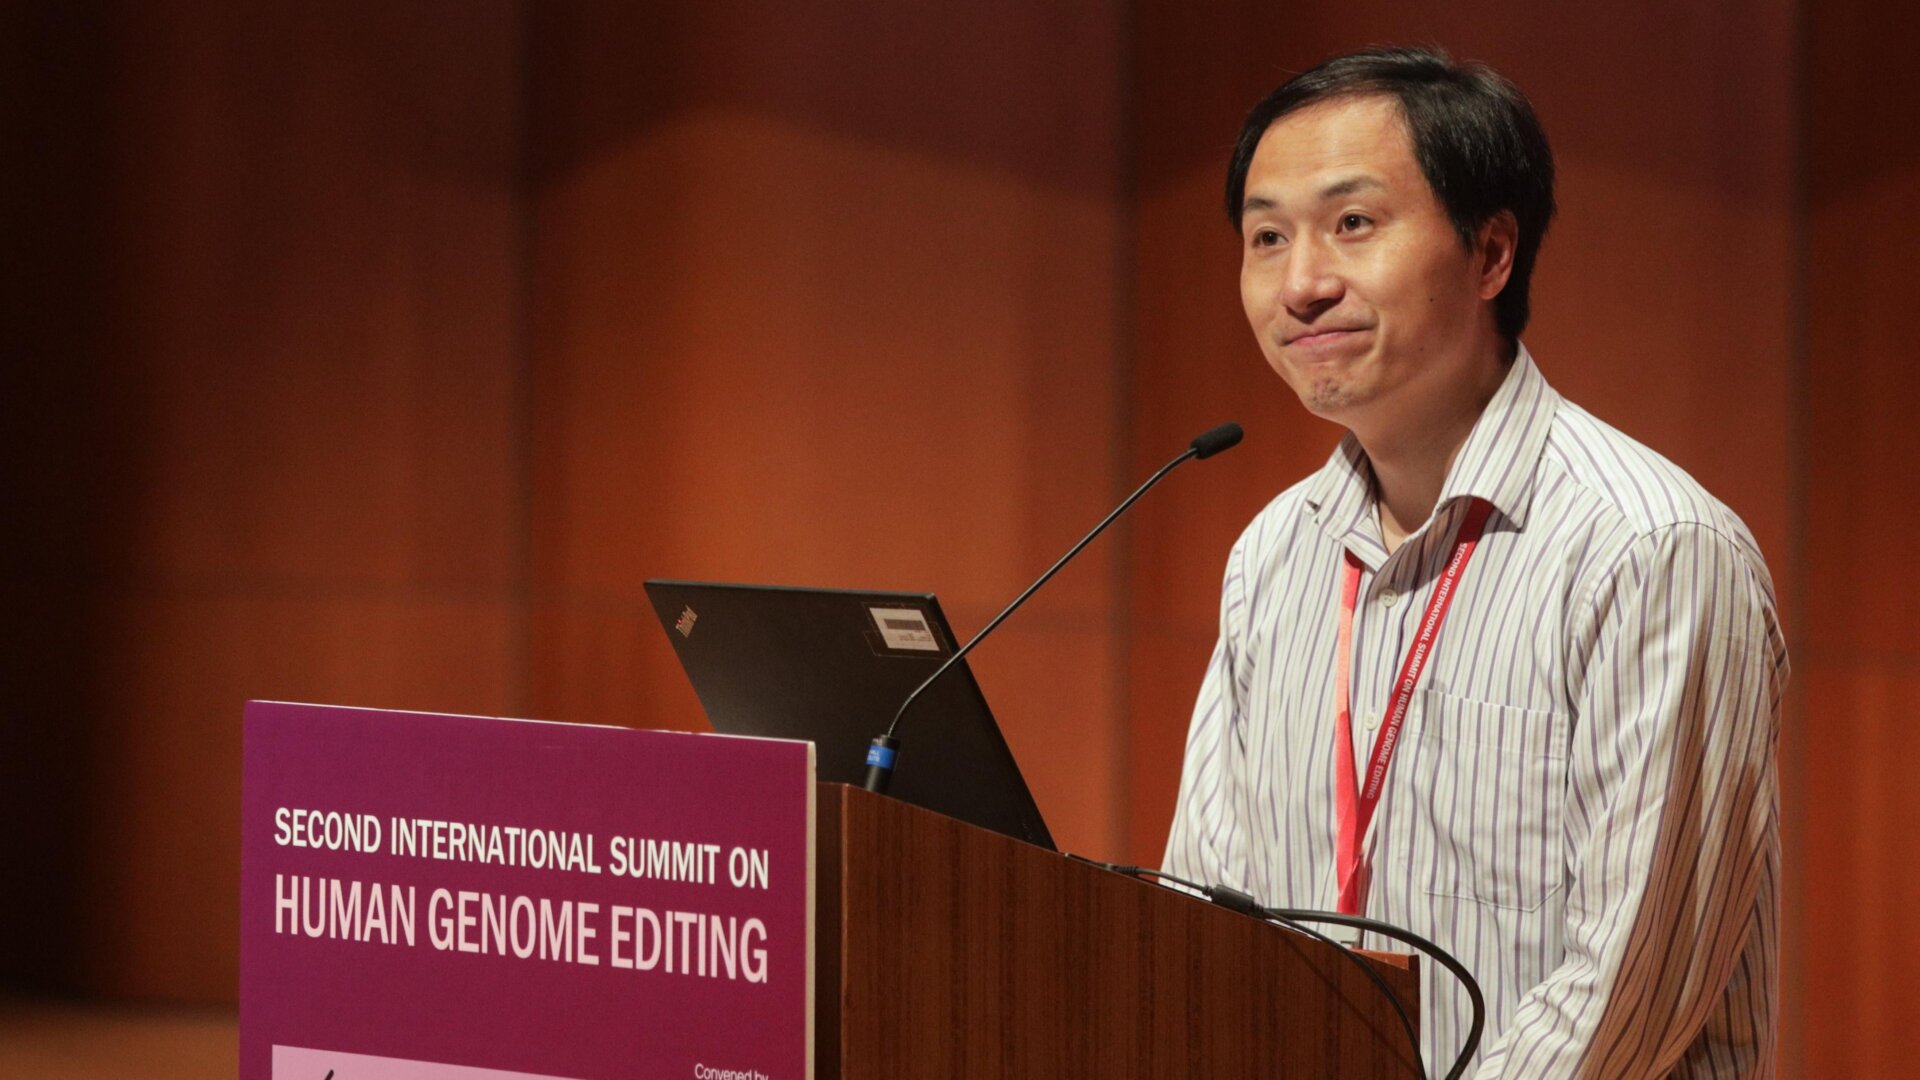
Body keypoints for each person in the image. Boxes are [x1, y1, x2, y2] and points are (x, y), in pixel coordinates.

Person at [1162, 47, 1785, 1078]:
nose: (1302, 283)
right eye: (1267, 236)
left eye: (1352, 225)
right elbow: (1206, 913)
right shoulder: (1274, 555)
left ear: (1492, 253)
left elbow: (1624, 995)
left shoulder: (1650, 549)